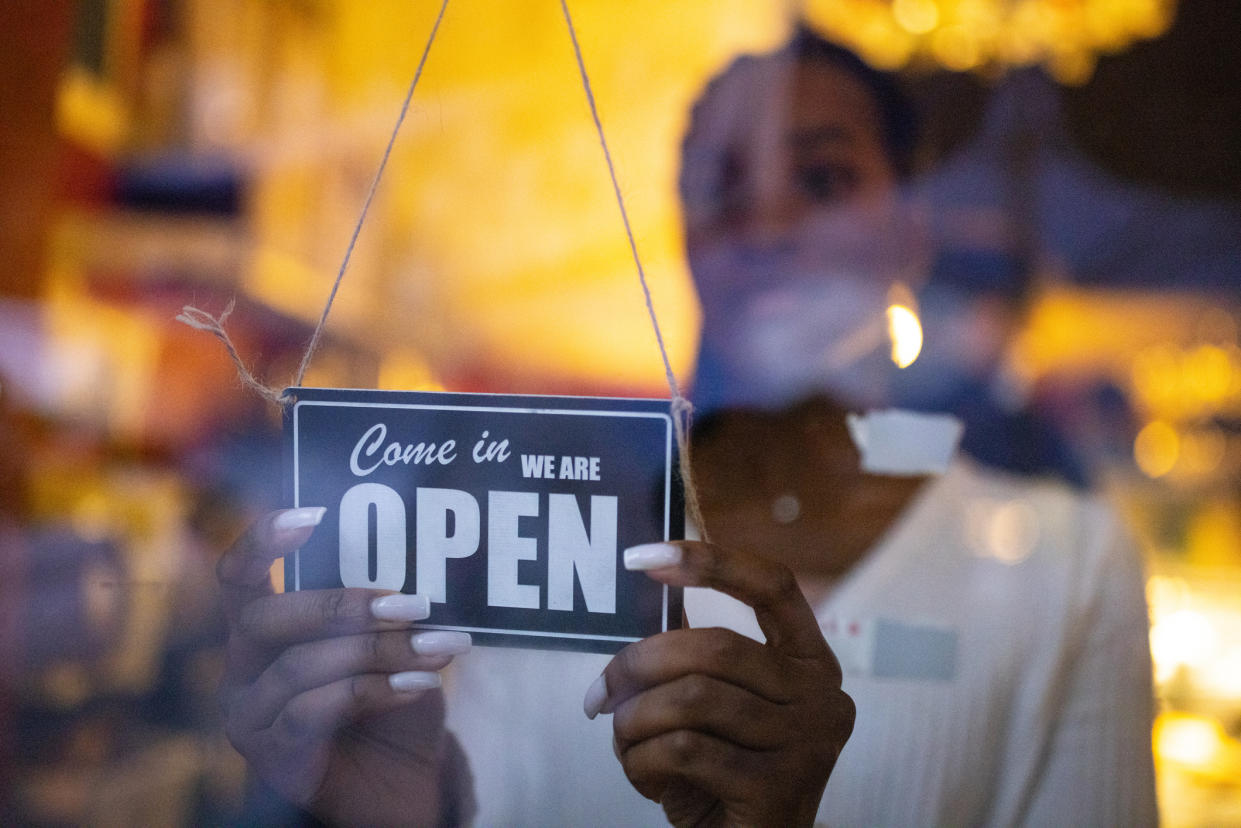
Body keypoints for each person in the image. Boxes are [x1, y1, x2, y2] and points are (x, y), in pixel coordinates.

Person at [217, 27, 1156, 827]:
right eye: (723, 185)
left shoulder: (1063, 569)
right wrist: (407, 804)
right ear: (683, 234)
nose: (767, 221)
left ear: (908, 235)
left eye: (823, 178)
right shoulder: (553, 531)